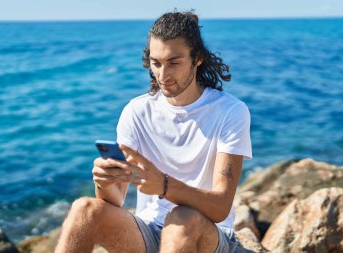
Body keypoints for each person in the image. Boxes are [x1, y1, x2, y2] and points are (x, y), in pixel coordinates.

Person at [55, 11, 252, 253]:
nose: (162, 75)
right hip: (148, 232)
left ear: (197, 58)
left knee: (182, 218)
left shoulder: (230, 111)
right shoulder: (136, 111)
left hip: (206, 233)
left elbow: (221, 206)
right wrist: (105, 181)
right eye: (156, 63)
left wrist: (164, 186)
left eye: (174, 63)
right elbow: (114, 201)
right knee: (84, 209)